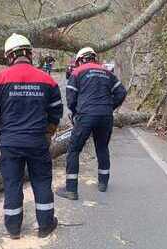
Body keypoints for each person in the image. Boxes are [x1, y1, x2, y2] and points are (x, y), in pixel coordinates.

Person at [0, 33, 63, 239]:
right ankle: (45, 226)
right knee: (41, 182)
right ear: (30, 54)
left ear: (9, 56)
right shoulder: (47, 80)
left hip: (10, 144)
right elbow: (55, 113)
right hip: (37, 143)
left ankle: (13, 229)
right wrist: (48, 135)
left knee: (12, 184)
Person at [56, 47, 127, 200]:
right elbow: (121, 92)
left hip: (86, 116)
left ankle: (71, 189)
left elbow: (71, 98)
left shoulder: (77, 72)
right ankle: (103, 183)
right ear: (94, 58)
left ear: (81, 59)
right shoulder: (107, 73)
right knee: (102, 147)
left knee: (74, 150)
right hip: (105, 116)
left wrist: (76, 113)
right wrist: (109, 106)